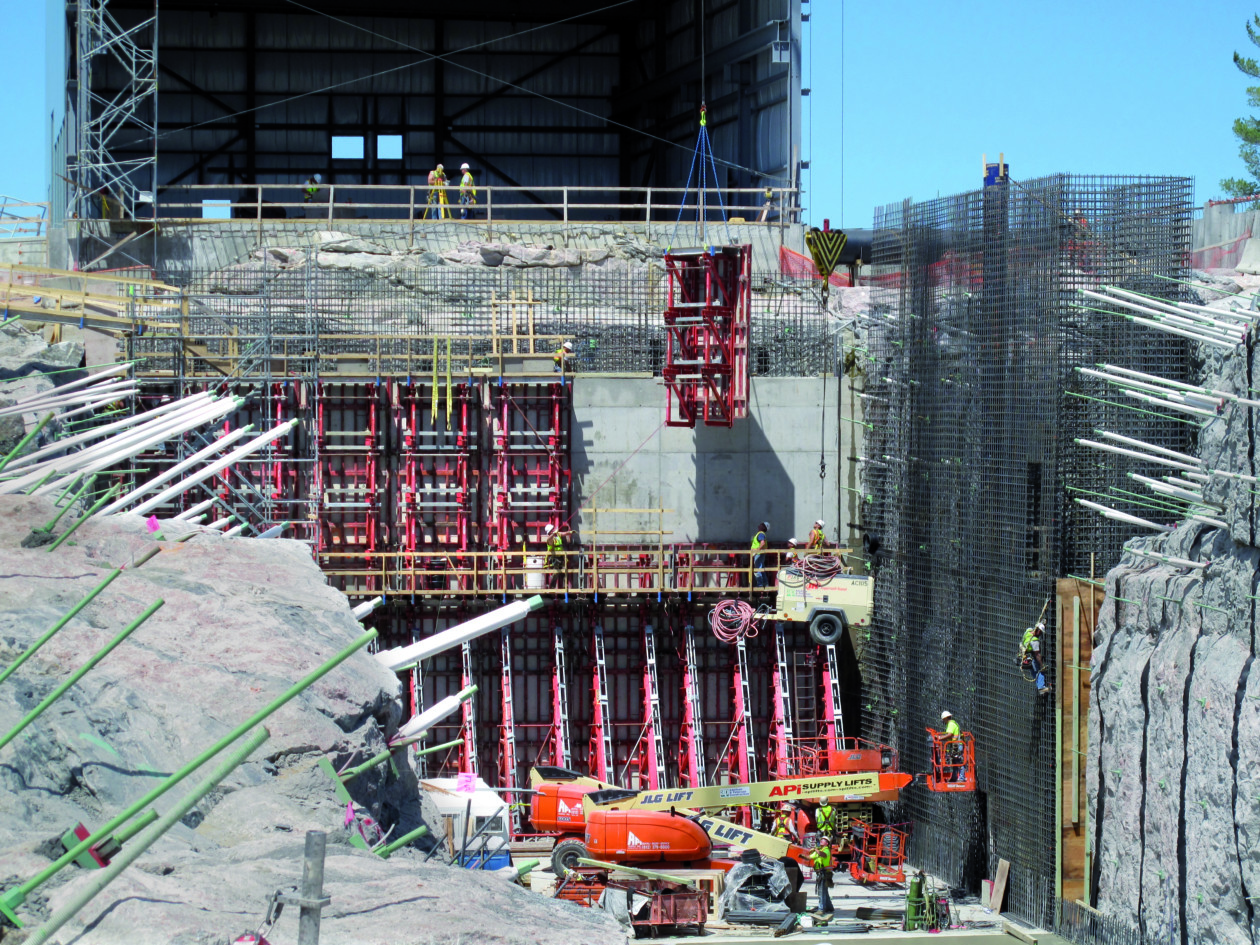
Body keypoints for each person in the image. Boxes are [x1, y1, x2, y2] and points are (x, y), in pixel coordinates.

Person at [1020, 621, 1050, 695]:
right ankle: (1041, 688)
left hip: (1025, 657)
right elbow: (1037, 655)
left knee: (1033, 672)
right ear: (1039, 631)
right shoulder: (1035, 641)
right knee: (1040, 671)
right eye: (1041, 632)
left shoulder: (1028, 630)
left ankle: (1039, 686)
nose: (1040, 634)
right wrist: (1042, 665)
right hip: (1031, 657)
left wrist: (1043, 623)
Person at [543, 523, 573, 588]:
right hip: (554, 557)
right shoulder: (550, 539)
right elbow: (549, 540)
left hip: (561, 556)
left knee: (564, 572)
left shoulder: (557, 535)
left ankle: (565, 588)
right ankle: (552, 587)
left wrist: (570, 532)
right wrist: (553, 534)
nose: (553, 530)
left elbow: (564, 533)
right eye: (552, 530)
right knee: (556, 573)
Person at [938, 710, 964, 783]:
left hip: (957, 745)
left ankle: (962, 778)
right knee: (955, 761)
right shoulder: (953, 723)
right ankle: (954, 777)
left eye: (943, 719)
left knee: (959, 761)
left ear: (945, 718)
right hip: (956, 744)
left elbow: (950, 734)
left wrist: (940, 738)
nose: (943, 721)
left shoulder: (951, 724)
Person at [809, 842, 833, 915]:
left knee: (821, 891)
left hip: (824, 873)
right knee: (824, 891)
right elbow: (810, 857)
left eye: (824, 840)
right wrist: (802, 856)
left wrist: (815, 849)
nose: (821, 841)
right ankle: (829, 907)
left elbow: (823, 854)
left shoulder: (826, 850)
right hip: (820, 873)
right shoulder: (819, 851)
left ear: (826, 843)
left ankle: (821, 909)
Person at [750, 521, 769, 588]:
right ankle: (765, 584)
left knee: (758, 569)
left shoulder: (760, 534)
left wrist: (757, 550)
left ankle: (760, 585)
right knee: (761, 569)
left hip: (759, 554)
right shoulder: (760, 534)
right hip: (760, 553)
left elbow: (762, 543)